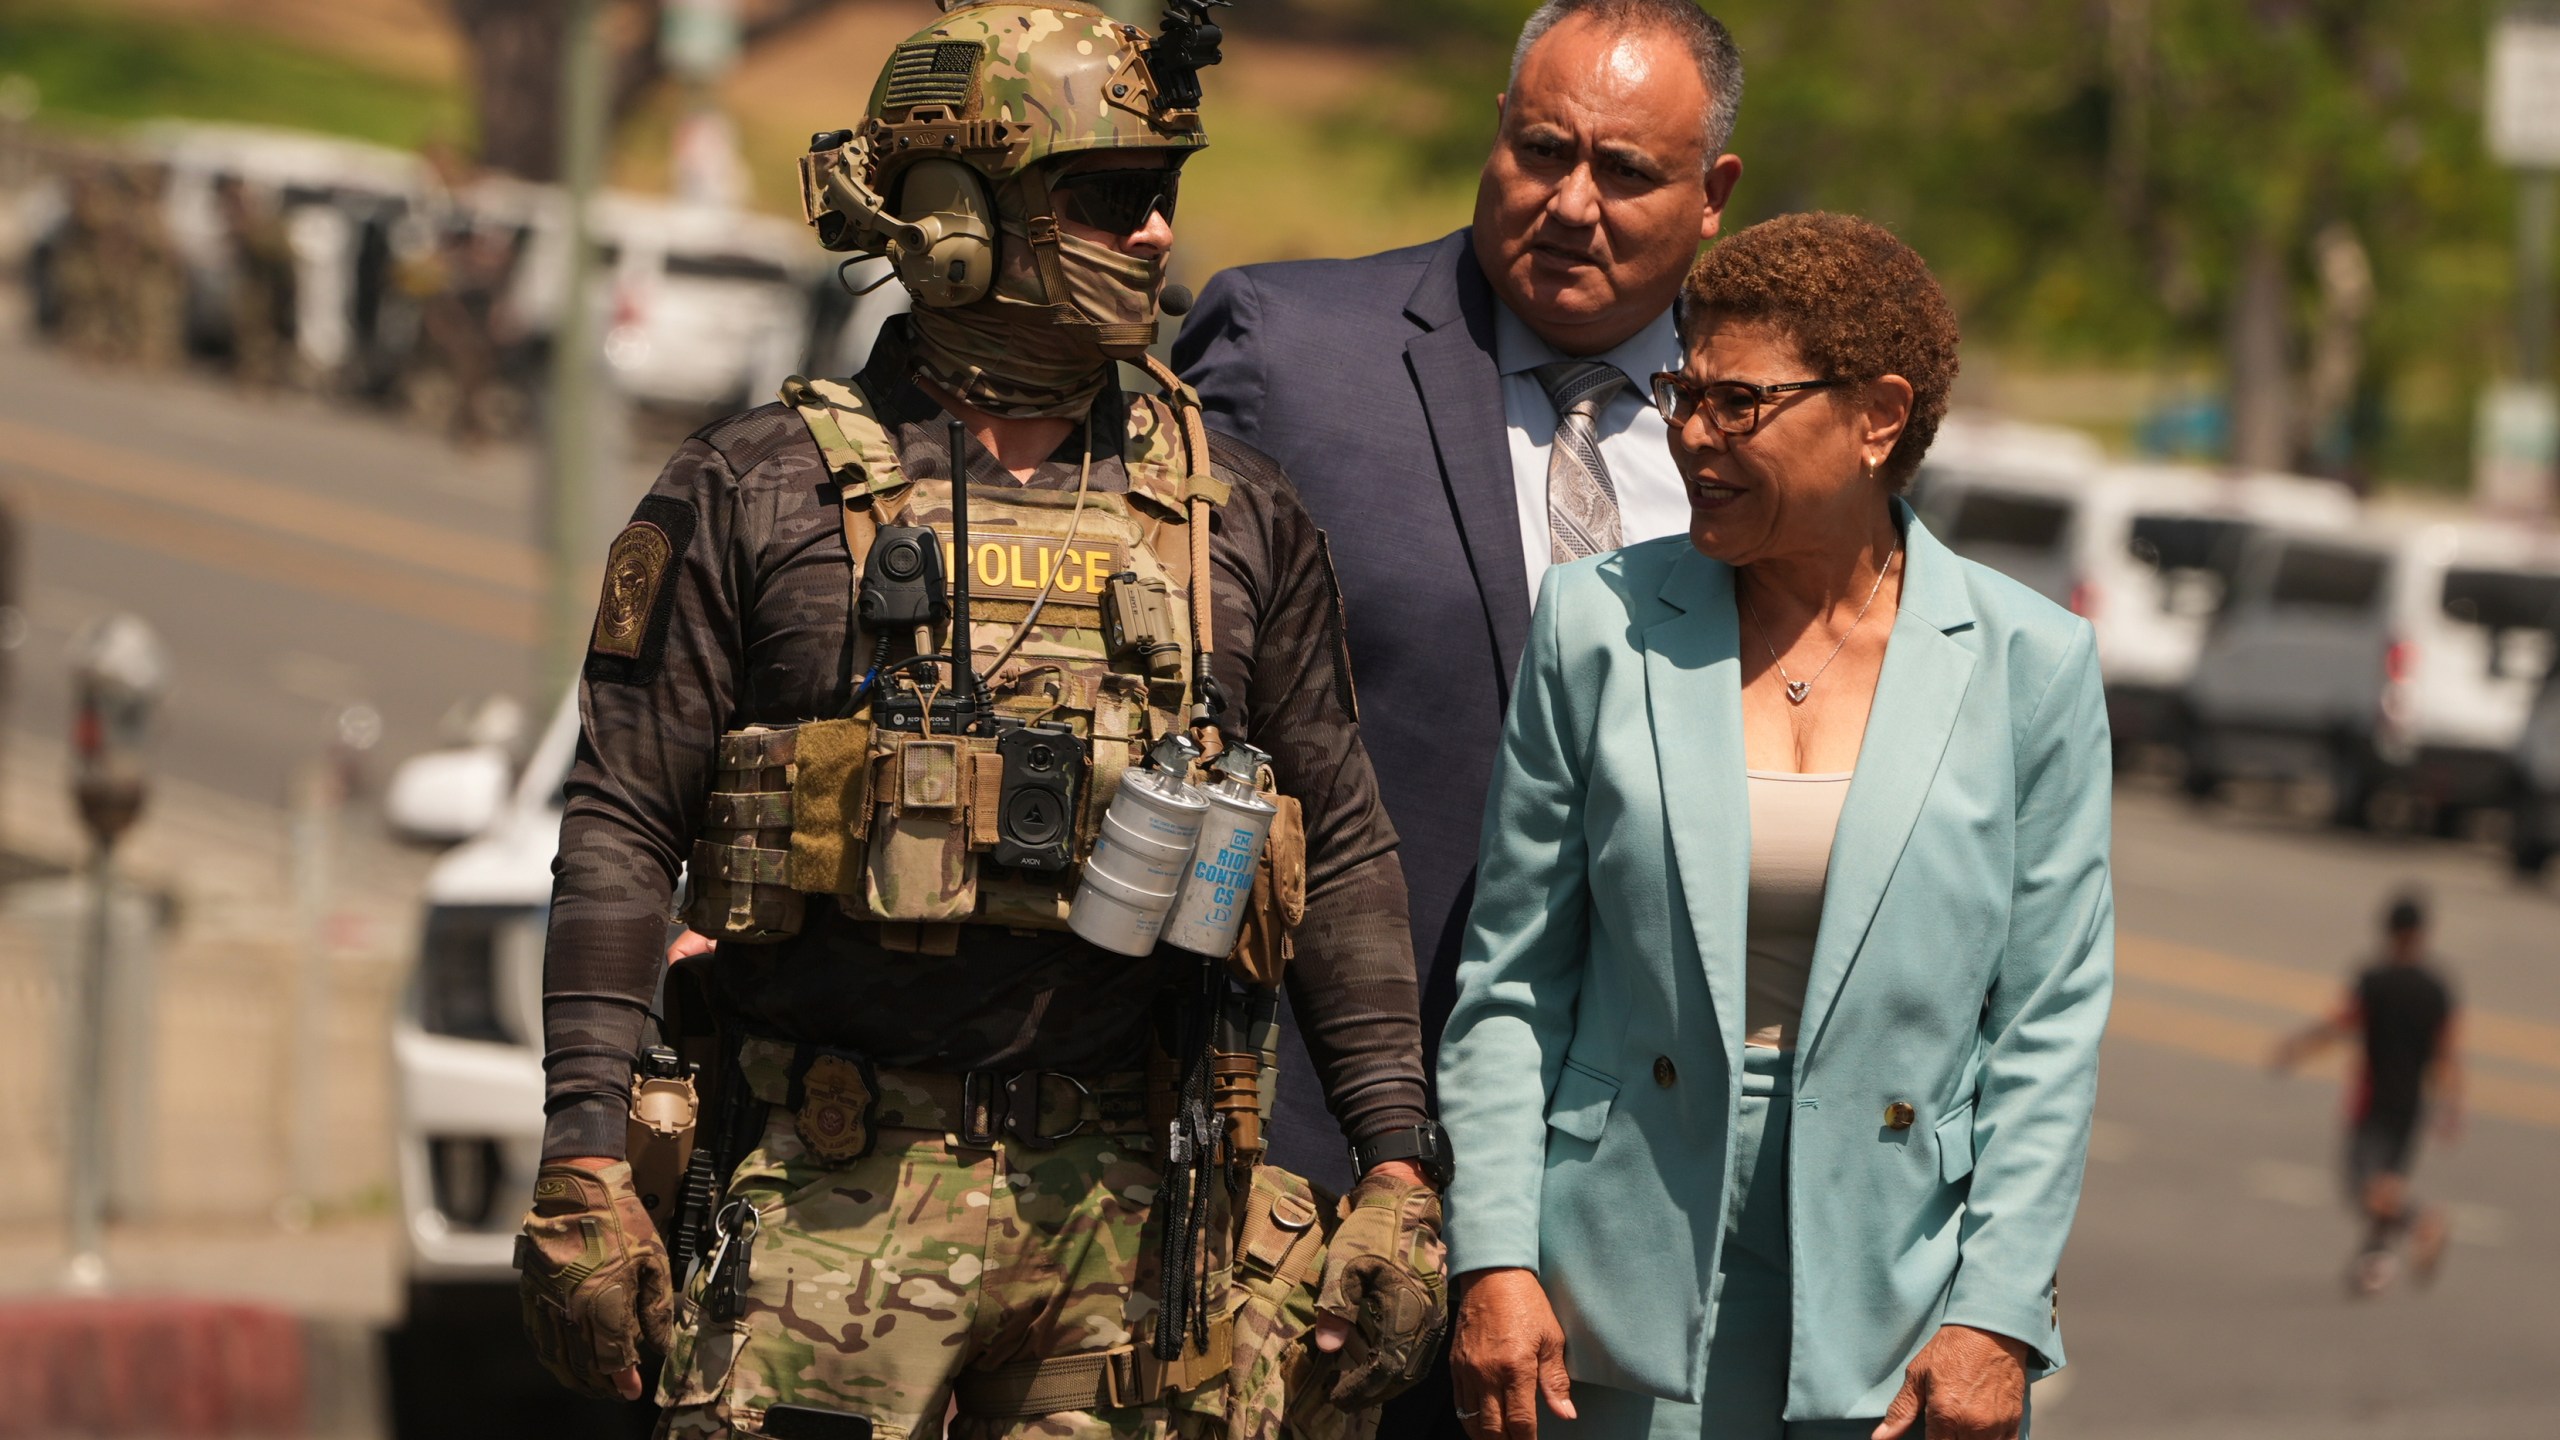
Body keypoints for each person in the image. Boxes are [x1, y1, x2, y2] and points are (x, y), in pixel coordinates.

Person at [510, 5, 1448, 1438]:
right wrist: (585, 1151)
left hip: (1142, 1223)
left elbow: (1350, 851)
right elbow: (626, 825)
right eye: (1113, 197)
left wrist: (1396, 1168)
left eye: (1165, 195)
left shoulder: (1238, 515)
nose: (1152, 237)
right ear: (957, 221)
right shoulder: (754, 496)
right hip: (828, 1198)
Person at [1437, 213, 2115, 1440]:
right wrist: (1491, 1253)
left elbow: (2045, 1025)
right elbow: (1512, 982)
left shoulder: (2032, 663)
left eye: (1737, 403)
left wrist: (1999, 1313)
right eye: (1682, 390)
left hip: (1898, 1293)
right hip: (1608, 1271)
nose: (1688, 434)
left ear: (1877, 416)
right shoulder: (1595, 626)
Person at [1174, 0, 1744, 1194]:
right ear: (1497, 132)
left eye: (1625, 171)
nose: (1570, 202)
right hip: (1295, 1155)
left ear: (1712, 192)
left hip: (1625, 1185)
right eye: (1542, 150)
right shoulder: (1293, 355)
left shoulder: (1759, 431)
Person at [2271, 892, 2462, 1296]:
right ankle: (2371, 1265)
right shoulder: (2436, 988)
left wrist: (2295, 1048)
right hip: (2412, 1105)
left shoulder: (2375, 980)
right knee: (2387, 1185)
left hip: (2372, 1100)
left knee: (2363, 1187)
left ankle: (2421, 1222)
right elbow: (2447, 1053)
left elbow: (2339, 1025)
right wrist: (2451, 1106)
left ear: (2389, 931)